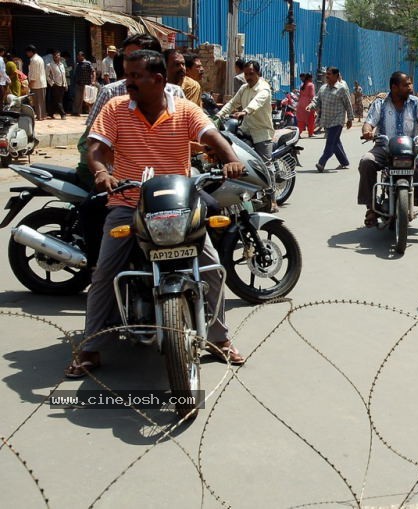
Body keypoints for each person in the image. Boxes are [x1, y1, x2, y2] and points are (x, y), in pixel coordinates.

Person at [64, 50, 247, 378]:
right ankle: (90, 347)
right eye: (127, 75)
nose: (128, 82)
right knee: (105, 272)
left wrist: (231, 158)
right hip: (128, 201)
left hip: (178, 205)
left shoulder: (186, 110)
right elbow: (97, 150)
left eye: (135, 76)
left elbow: (212, 136)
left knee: (213, 270)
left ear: (158, 80)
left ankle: (219, 338)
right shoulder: (116, 108)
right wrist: (101, 172)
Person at [76, 34, 184, 190]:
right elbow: (94, 140)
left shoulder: (176, 94)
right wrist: (113, 170)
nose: (128, 62)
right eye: (126, 57)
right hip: (118, 182)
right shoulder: (110, 92)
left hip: (166, 183)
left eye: (134, 56)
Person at [359, 71, 418, 244]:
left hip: (410, 150)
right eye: (406, 85)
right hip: (384, 148)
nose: (410, 87)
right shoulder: (380, 103)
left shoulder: (415, 103)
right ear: (394, 87)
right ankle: (371, 207)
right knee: (366, 161)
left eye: (410, 84)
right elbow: (369, 122)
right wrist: (367, 131)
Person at [218, 60, 279, 213]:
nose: (248, 77)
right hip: (245, 130)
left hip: (261, 131)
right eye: (246, 74)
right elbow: (232, 103)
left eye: (251, 74)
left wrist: (245, 111)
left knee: (266, 164)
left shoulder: (264, 88)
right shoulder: (244, 88)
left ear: (258, 73)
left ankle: (272, 199)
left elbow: (257, 102)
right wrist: (218, 116)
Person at [306, 66, 354, 172]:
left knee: (330, 142)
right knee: (335, 142)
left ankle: (321, 163)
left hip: (337, 121)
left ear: (336, 76)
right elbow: (317, 100)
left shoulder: (342, 89)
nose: (326, 76)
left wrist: (350, 119)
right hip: (326, 120)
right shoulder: (323, 88)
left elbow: (348, 104)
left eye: (329, 74)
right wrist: (311, 106)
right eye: (326, 74)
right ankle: (344, 162)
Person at [25, 45, 46, 121]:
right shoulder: (39, 58)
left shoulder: (34, 60)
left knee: (37, 101)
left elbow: (34, 73)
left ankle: (40, 116)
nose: (27, 54)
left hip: (36, 83)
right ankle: (42, 116)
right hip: (40, 83)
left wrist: (30, 83)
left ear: (31, 52)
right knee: (41, 101)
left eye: (27, 52)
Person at [45, 50, 67, 119]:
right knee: (59, 101)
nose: (57, 57)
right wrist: (52, 83)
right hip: (55, 85)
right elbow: (47, 76)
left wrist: (65, 84)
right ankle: (63, 114)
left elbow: (64, 75)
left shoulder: (62, 64)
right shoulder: (49, 65)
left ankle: (51, 113)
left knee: (56, 100)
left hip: (62, 85)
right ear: (53, 57)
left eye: (58, 56)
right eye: (55, 56)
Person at [71, 51, 94, 116]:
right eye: (78, 56)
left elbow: (93, 72)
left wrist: (93, 81)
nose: (78, 57)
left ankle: (89, 112)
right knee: (77, 98)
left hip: (86, 84)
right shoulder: (78, 64)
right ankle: (76, 112)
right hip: (79, 84)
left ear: (83, 56)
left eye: (79, 56)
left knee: (87, 99)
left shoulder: (88, 63)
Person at [296, 72, 316, 137]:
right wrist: (314, 104)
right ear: (310, 78)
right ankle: (310, 133)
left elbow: (300, 95)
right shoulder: (311, 85)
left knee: (301, 120)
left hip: (301, 103)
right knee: (311, 119)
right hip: (308, 104)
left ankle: (298, 134)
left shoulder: (302, 85)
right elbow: (312, 95)